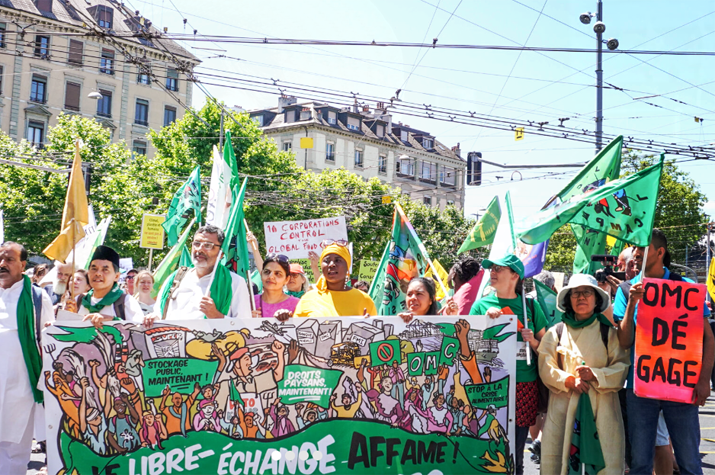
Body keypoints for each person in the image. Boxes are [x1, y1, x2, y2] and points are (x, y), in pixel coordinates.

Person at [614, 229, 714, 475]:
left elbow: (708, 339)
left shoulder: (686, 287)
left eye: (642, 249)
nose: (635, 254)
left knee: (690, 461)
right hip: (640, 389)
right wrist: (633, 305)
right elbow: (624, 341)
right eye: (635, 249)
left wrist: (704, 380)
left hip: (682, 387)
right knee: (640, 463)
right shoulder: (626, 290)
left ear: (660, 252)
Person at [537, 273, 629, 474]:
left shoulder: (609, 333)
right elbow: (545, 366)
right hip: (562, 411)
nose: (581, 297)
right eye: (575, 293)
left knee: (605, 463)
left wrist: (595, 375)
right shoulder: (555, 332)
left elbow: (622, 367)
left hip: (602, 412)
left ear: (596, 299)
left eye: (587, 293)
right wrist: (569, 381)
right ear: (568, 299)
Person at [470, 254, 547, 475]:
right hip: (489, 387)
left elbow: (547, 347)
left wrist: (532, 339)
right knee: (487, 450)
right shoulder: (480, 306)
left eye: (498, 269)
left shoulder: (531, 307)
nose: (492, 272)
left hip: (524, 385)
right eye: (491, 268)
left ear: (515, 275)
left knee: (515, 453)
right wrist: (484, 323)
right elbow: (467, 345)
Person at [0, 242, 54, 473]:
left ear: (23, 265)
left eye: (9, 260)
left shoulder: (38, 298)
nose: (2, 264)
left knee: (14, 450)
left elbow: (50, 343)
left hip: (19, 388)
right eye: (0, 259)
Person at [149, 225, 251, 323]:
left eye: (208, 245)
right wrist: (153, 317)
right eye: (196, 244)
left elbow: (244, 327)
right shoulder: (176, 278)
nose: (200, 249)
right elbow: (159, 313)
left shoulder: (235, 283)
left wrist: (216, 316)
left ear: (221, 254)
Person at [64, 246, 144, 328]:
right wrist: (69, 317)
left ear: (116, 276)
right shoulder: (79, 300)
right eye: (94, 269)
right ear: (88, 273)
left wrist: (113, 321)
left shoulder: (126, 302)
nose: (98, 273)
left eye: (105, 270)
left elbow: (140, 332)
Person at [293, 241, 376, 318]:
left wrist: (368, 326)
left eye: (338, 260)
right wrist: (285, 319)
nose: (331, 264)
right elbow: (295, 330)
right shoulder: (308, 298)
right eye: (327, 260)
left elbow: (377, 331)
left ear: (347, 266)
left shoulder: (364, 299)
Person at [251, 254, 299, 321]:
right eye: (267, 272)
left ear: (287, 279)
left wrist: (290, 320)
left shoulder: (297, 305)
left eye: (278, 274)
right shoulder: (250, 302)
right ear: (261, 275)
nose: (271, 276)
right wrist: (248, 320)